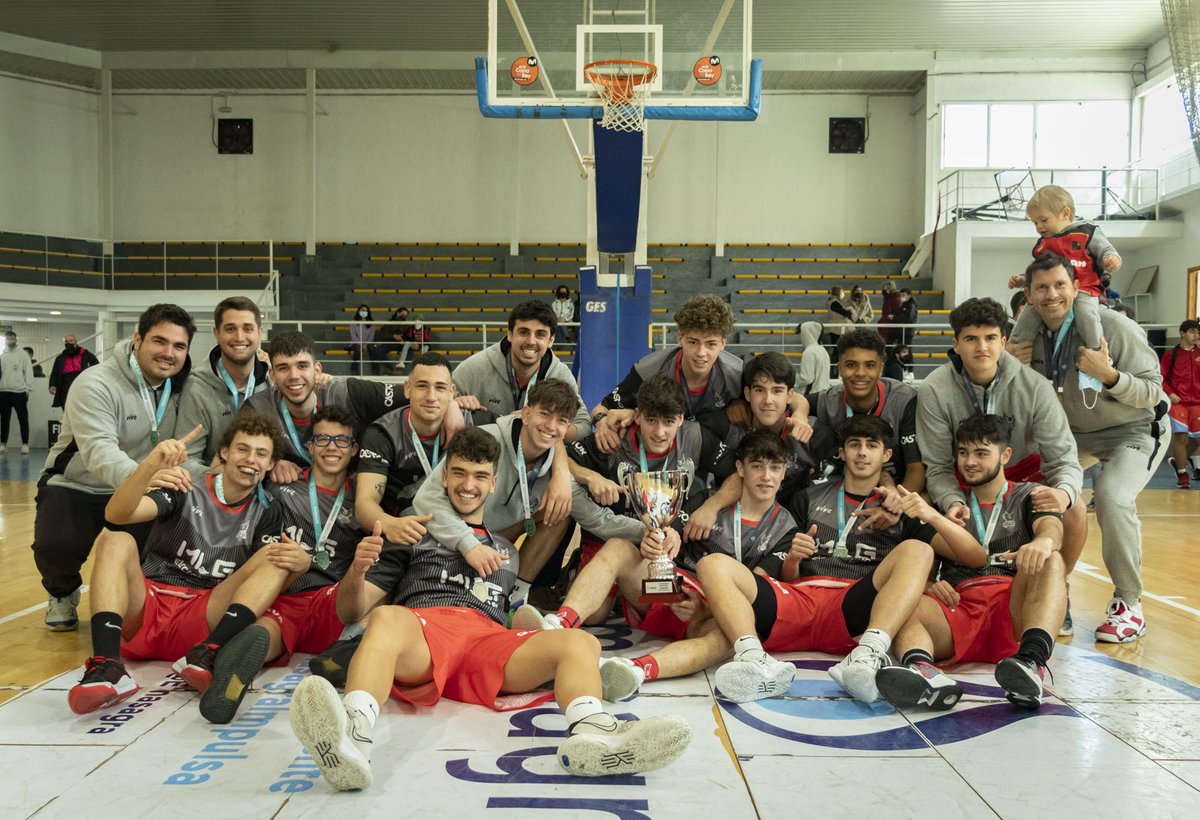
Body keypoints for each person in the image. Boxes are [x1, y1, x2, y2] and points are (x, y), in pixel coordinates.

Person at [288, 427, 693, 791]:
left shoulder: (506, 553)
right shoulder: (412, 529)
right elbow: (350, 612)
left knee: (578, 643)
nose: (468, 485)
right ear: (444, 476)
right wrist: (357, 573)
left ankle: (592, 736)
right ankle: (352, 736)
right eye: (459, 473)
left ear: (493, 483)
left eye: (480, 476)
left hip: (486, 640)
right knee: (387, 617)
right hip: (426, 633)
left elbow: (514, 609)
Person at [513, 430, 798, 696]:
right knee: (617, 549)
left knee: (728, 641)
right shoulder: (704, 501)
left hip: (705, 617)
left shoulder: (786, 528)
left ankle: (636, 670)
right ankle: (558, 625)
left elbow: (753, 597)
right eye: (757, 466)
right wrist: (658, 541)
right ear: (740, 469)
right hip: (666, 589)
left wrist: (704, 607)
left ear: (785, 472)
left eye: (774, 468)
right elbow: (667, 534)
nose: (766, 477)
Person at [701, 416, 938, 704]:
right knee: (712, 563)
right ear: (841, 452)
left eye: (871, 446)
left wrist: (933, 580)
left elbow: (942, 556)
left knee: (919, 550)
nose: (862, 453)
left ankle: (866, 656)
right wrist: (793, 559)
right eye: (854, 445)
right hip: (798, 596)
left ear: (886, 455)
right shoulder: (806, 498)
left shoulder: (900, 508)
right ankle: (756, 660)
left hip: (854, 603)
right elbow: (786, 575)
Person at [66, 413, 288, 715]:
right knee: (115, 539)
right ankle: (108, 665)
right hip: (147, 607)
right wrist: (149, 466)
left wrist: (298, 563)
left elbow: (264, 581)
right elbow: (117, 515)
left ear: (271, 464)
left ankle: (210, 650)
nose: (250, 459)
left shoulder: (268, 511)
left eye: (261, 454)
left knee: (278, 556)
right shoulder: (184, 484)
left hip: (201, 618)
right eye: (242, 449)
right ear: (223, 452)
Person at [1009, 253, 1169, 643]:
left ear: (1076, 288)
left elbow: (1154, 393)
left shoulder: (1114, 328)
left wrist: (1110, 376)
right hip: (1069, 435)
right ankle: (1052, 591)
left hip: (1131, 429)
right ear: (1028, 295)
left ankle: (1129, 603)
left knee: (1112, 496)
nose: (1051, 295)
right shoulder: (1024, 338)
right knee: (1034, 493)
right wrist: (1009, 368)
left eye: (1060, 285)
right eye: (1042, 288)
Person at [182, 406, 371, 724]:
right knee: (262, 633)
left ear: (354, 449)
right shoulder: (279, 487)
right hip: (284, 592)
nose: (331, 447)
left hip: (329, 597)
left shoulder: (363, 503)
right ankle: (234, 674)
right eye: (322, 439)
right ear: (308, 446)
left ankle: (344, 652)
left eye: (342, 441)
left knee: (369, 610)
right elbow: (228, 476)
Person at [875, 414, 1066, 711]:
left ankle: (1031, 662)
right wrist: (928, 583)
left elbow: (1051, 529)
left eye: (981, 453)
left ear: (1005, 455)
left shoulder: (1029, 495)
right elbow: (918, 560)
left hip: (1013, 605)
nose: (970, 462)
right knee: (903, 603)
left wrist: (1043, 541)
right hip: (960, 605)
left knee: (1051, 560)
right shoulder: (947, 505)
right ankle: (924, 671)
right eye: (963, 453)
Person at [917, 296, 1083, 635]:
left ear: (1003, 341)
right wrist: (952, 501)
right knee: (923, 505)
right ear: (956, 343)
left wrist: (1064, 493)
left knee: (1076, 507)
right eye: (971, 339)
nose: (982, 347)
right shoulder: (934, 388)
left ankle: (1057, 587)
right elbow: (936, 465)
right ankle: (937, 581)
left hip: (1019, 470)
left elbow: (1064, 457)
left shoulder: (1035, 386)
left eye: (991, 338)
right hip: (965, 472)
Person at [32, 304, 195, 631]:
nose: (169, 353)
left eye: (179, 346)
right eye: (159, 342)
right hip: (77, 482)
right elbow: (98, 452)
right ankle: (62, 592)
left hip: (143, 488)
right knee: (56, 548)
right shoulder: (95, 383)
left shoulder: (182, 386)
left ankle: (142, 600)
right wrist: (144, 476)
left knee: (166, 549)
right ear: (137, 340)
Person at [354, 352, 491, 544]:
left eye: (440, 388)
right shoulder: (382, 434)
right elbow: (364, 504)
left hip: (461, 531)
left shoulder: (476, 423)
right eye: (422, 386)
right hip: (404, 532)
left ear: (452, 393)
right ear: (408, 389)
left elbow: (520, 426)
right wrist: (389, 524)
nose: (431, 397)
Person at [1008, 186, 1122, 398]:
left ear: (1066, 214)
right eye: (1034, 223)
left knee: (1087, 315)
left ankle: (1097, 355)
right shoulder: (1044, 244)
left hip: (1085, 288)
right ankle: (1012, 354)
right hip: (1056, 293)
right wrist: (1023, 280)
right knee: (1028, 314)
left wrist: (1111, 259)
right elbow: (1039, 274)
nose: (1039, 226)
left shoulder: (1087, 232)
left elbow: (1106, 250)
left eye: (1043, 220)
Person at [592, 295, 748, 447]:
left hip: (710, 450)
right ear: (680, 338)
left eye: (711, 344)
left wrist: (742, 404)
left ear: (723, 343)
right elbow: (602, 408)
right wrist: (601, 423)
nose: (701, 352)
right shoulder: (649, 371)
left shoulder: (738, 374)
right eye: (693, 342)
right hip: (663, 450)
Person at [244, 330, 398, 484]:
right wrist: (269, 464)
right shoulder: (258, 408)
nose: (294, 376)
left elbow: (412, 396)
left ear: (317, 370)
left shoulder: (348, 392)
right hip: (294, 500)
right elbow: (225, 462)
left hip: (351, 496)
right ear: (272, 375)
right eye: (283, 368)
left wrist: (372, 467)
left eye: (302, 366)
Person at [796, 329, 925, 494]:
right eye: (851, 365)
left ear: (880, 369)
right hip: (843, 497)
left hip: (896, 494)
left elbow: (916, 469)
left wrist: (895, 508)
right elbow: (796, 399)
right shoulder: (827, 401)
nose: (860, 373)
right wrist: (800, 413)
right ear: (840, 368)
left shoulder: (904, 401)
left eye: (870, 365)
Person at [454, 300, 589, 441]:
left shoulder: (560, 376)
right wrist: (454, 406)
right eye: (524, 332)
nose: (531, 341)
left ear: (551, 340)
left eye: (540, 334)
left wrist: (542, 426)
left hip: (536, 459)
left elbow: (584, 425)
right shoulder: (473, 369)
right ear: (510, 334)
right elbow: (438, 407)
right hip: (482, 457)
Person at [178, 297, 271, 476]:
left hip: (263, 485)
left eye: (248, 328)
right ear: (217, 333)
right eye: (230, 329)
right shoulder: (195, 389)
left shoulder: (272, 384)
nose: (239, 337)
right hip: (212, 488)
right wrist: (225, 480)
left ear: (259, 332)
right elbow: (186, 459)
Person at [1162, 319, 1200, 488]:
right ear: (1182, 333)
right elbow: (1161, 377)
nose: (1196, 335)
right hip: (1178, 402)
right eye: (1192, 332)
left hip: (1197, 402)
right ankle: (1182, 474)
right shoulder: (1171, 354)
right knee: (1181, 437)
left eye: (1197, 332)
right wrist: (1169, 393)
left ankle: (1179, 460)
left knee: (1197, 439)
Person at [0, 330, 33, 454]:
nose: (10, 340)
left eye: (12, 338)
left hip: (19, 392)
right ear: (5, 340)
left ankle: (25, 444)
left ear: (16, 339)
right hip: (3, 391)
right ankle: (3, 444)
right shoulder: (2, 356)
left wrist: (28, 389)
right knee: (4, 419)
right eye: (8, 338)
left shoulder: (23, 355)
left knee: (23, 419)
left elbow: (29, 372)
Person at [48, 334, 99, 409]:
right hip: (65, 389)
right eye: (66, 341)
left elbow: (97, 368)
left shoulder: (87, 355)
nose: (68, 343)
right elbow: (54, 373)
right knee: (67, 410)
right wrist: (52, 384)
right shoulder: (60, 358)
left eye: (71, 341)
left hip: (83, 387)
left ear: (76, 342)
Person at [795, 321, 831, 395]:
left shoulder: (809, 352)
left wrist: (795, 379)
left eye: (801, 334)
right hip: (824, 392)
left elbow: (807, 379)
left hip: (813, 394)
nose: (800, 338)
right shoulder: (822, 350)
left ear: (806, 334)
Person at [350, 304, 378, 376]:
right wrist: (362, 344)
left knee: (372, 349)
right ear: (359, 311)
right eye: (363, 310)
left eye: (366, 311)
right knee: (358, 350)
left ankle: (375, 370)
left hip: (368, 343)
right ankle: (354, 369)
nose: (364, 312)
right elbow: (354, 336)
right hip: (356, 342)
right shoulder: (354, 322)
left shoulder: (371, 322)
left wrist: (366, 344)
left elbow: (371, 336)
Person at [824, 287, 853, 354]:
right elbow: (844, 313)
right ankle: (834, 362)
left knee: (836, 347)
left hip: (834, 327)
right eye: (842, 291)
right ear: (839, 292)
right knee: (837, 348)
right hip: (836, 328)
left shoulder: (831, 300)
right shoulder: (835, 303)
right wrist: (850, 311)